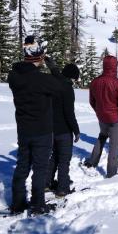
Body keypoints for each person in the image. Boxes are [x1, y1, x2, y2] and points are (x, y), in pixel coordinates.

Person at [8, 36, 62, 215]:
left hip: (23, 130)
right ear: (39, 57)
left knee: (22, 165)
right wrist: (53, 67)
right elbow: (61, 87)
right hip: (42, 130)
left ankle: (18, 203)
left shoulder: (14, 76)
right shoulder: (42, 79)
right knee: (40, 167)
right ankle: (38, 203)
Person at [84, 55, 118, 178]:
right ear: (114, 66)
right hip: (115, 119)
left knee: (102, 136)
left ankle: (92, 161)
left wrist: (98, 111)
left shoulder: (95, 81)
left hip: (102, 117)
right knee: (114, 146)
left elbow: (92, 101)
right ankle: (112, 173)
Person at [45, 61, 81, 197]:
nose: (74, 81)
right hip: (64, 130)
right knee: (64, 159)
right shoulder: (67, 89)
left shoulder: (54, 83)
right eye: (74, 78)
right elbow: (69, 113)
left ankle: (45, 183)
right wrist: (76, 130)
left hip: (50, 128)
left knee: (54, 156)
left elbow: (55, 71)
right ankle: (62, 188)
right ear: (71, 77)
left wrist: (51, 64)